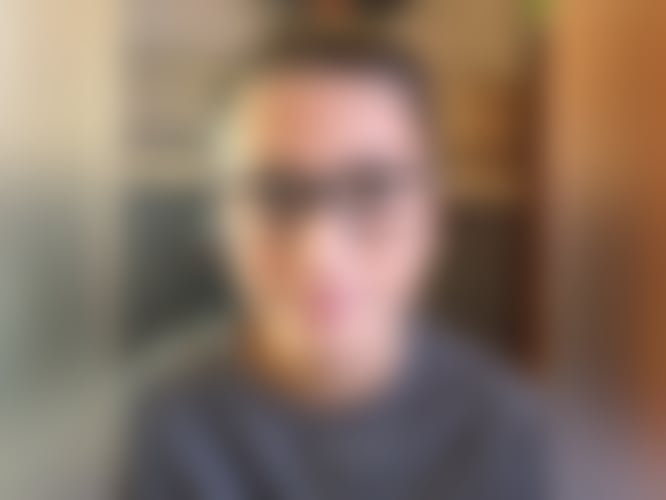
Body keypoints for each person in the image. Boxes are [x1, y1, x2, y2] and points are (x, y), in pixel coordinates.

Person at [125, 37, 547, 500]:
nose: (320, 252)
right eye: (276, 194)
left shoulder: (500, 429)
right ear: (219, 223)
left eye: (371, 189)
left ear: (434, 214)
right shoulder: (168, 428)